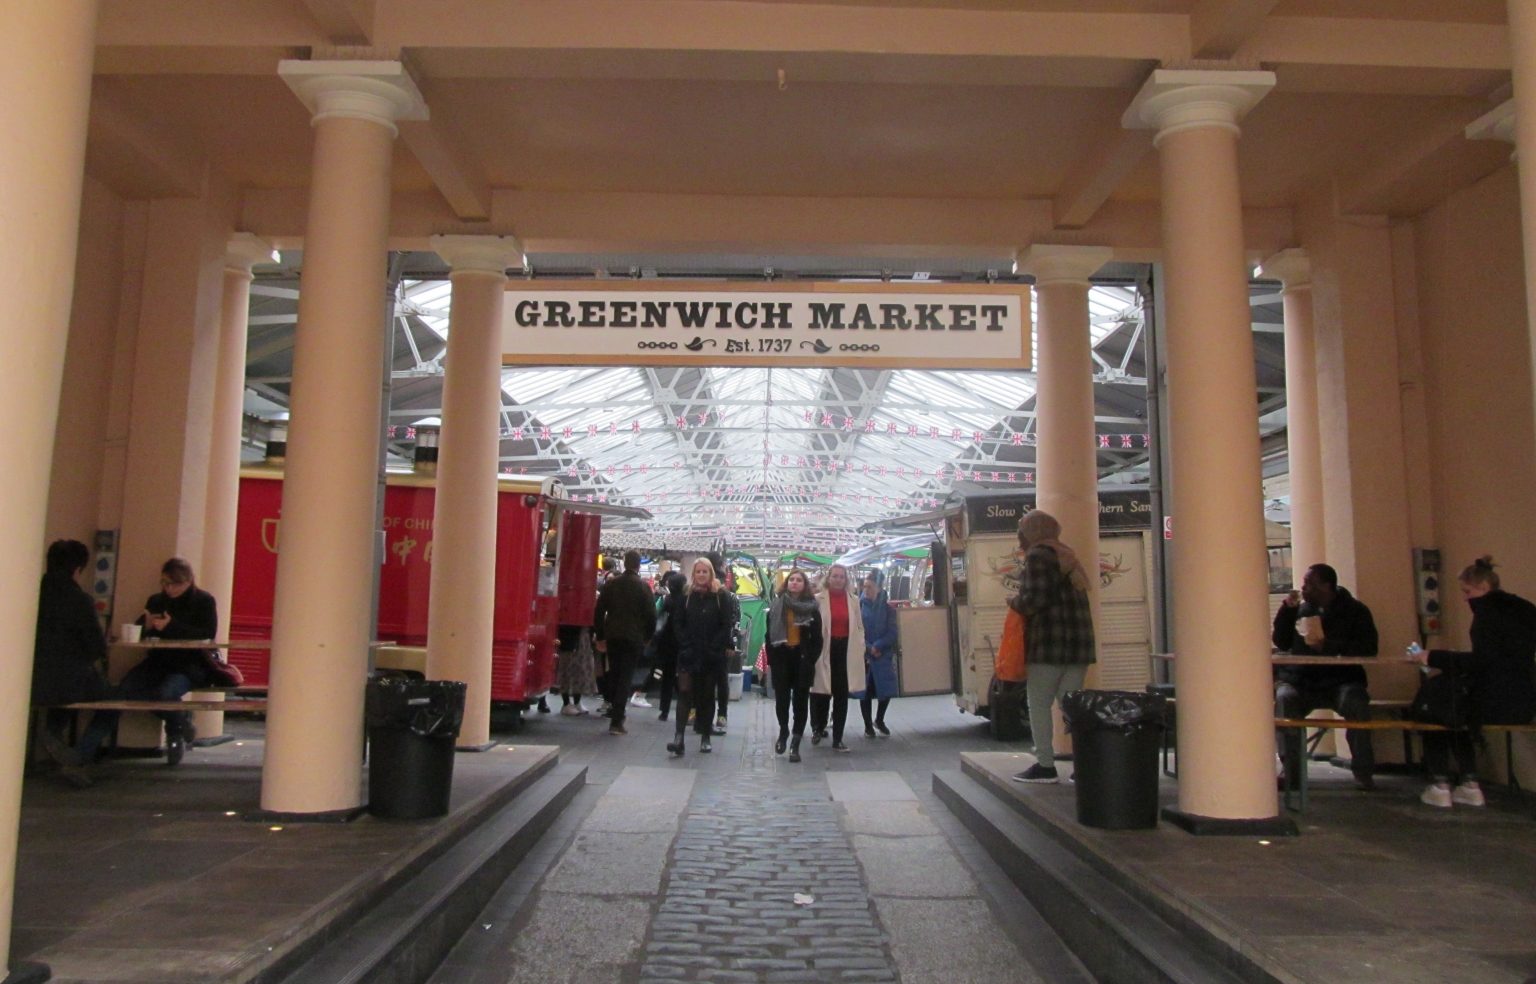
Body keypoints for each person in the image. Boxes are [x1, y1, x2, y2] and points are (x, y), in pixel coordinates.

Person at [1408, 556, 1536, 808]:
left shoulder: (1487, 615)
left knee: (1436, 709)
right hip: (1525, 701)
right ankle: (1469, 783)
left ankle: (1441, 783)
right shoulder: (1523, 610)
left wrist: (1433, 656)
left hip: (1496, 703)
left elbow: (1483, 661)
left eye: (1467, 591)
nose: (1465, 598)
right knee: (1456, 710)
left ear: (1483, 589)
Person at [80, 557, 220, 767]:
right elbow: (142, 630)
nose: (169, 589)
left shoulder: (204, 601)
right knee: (121, 692)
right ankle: (84, 752)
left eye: (175, 584)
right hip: (157, 662)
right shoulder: (156, 600)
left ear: (189, 581)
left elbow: (207, 634)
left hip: (189, 665)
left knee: (164, 694)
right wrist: (144, 625)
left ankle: (176, 728)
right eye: (164, 583)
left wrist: (171, 626)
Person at [1272, 562, 1380, 791]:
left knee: (1357, 703)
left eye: (1309, 584)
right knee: (1285, 700)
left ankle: (1363, 771)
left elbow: (1369, 648)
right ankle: (1293, 773)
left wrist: (1328, 646)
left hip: (1341, 680)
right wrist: (1287, 611)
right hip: (1301, 681)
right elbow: (1281, 641)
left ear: (1326, 586)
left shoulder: (1356, 611)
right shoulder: (1300, 610)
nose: (1304, 588)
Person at [1009, 510, 1096, 783]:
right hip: (1078, 645)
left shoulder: (1038, 556)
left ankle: (1045, 765)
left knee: (1039, 704)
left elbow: (1035, 599)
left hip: (1049, 644)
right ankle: (1085, 764)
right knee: (1072, 707)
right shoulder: (1066, 554)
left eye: (1022, 530)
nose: (1019, 535)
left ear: (1031, 532)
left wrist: (1014, 602)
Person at [30, 539, 111, 786]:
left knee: (55, 695)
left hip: (30, 676)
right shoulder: (79, 600)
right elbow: (96, 646)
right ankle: (78, 757)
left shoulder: (31, 592)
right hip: (70, 678)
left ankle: (52, 736)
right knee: (111, 701)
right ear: (77, 569)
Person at [667, 558, 734, 757]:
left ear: (711, 573)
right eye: (698, 571)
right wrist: (685, 644)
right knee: (685, 692)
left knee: (706, 696)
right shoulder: (686, 596)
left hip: (711, 656)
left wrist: (715, 647)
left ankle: (705, 735)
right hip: (689, 653)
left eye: (705, 571)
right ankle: (679, 737)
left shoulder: (721, 596)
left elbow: (726, 625)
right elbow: (678, 623)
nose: (702, 575)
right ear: (693, 574)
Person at [592, 550, 656, 736]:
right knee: (626, 676)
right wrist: (647, 637)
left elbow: (599, 611)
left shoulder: (612, 585)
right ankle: (617, 719)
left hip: (613, 636)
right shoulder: (643, 588)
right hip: (634, 638)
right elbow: (651, 616)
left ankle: (612, 705)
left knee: (614, 672)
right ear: (638, 566)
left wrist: (601, 635)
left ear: (624, 563)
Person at [766, 570, 822, 762]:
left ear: (805, 584)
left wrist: (810, 659)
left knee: (800, 701)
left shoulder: (812, 608)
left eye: (799, 580)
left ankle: (796, 742)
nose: (795, 583)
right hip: (782, 657)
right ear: (786, 583)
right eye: (792, 580)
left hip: (802, 658)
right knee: (781, 699)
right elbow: (769, 636)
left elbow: (817, 639)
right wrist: (772, 659)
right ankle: (783, 731)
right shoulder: (777, 604)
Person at [810, 564, 865, 752]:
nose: (838, 579)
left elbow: (859, 626)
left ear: (846, 580)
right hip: (825, 648)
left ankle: (838, 738)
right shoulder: (818, 600)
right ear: (829, 578)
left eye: (842, 576)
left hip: (846, 649)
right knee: (821, 691)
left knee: (842, 694)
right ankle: (818, 727)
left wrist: (861, 645)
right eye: (835, 576)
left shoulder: (854, 601)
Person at [704, 553, 741, 736]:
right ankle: (719, 715)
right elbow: (734, 622)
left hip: (717, 645)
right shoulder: (698, 593)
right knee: (717, 680)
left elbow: (731, 621)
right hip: (712, 645)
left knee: (716, 680)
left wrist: (729, 644)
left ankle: (718, 714)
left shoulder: (726, 595)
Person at [859, 572, 899, 738]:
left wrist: (879, 645)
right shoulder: (859, 607)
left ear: (879, 587)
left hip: (883, 654)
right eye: (865, 586)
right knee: (865, 691)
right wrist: (868, 648)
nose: (866, 589)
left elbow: (893, 631)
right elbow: (857, 631)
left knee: (886, 689)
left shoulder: (888, 609)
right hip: (865, 655)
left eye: (870, 586)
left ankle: (879, 719)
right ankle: (868, 724)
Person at [652, 570, 686, 722]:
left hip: (666, 644)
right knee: (683, 678)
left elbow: (656, 615)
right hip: (682, 644)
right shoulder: (687, 601)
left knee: (666, 677)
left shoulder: (666, 600)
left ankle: (664, 710)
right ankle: (687, 707)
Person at [555, 623, 597, 715]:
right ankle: (566, 703)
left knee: (580, 670)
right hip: (569, 634)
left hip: (582, 635)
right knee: (567, 667)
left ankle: (577, 701)